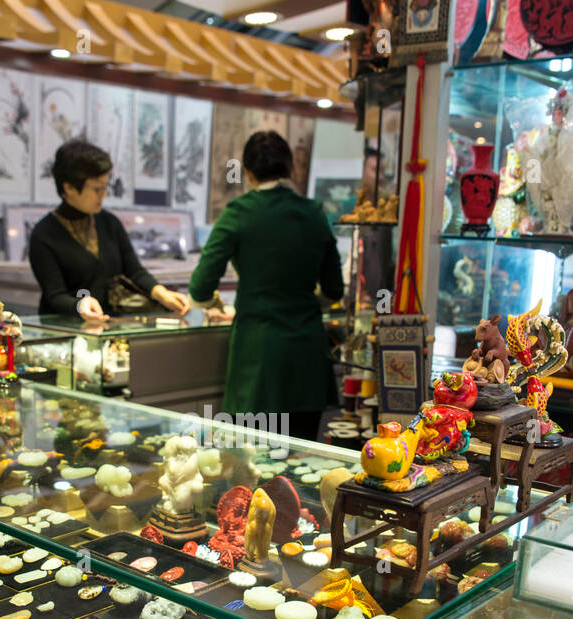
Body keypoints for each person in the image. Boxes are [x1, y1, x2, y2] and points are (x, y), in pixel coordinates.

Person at [189, 131, 344, 443]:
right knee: (301, 465)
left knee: (252, 465)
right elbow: (334, 290)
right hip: (306, 359)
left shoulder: (238, 213)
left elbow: (200, 288)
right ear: (290, 169)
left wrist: (212, 304)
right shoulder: (314, 213)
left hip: (256, 364)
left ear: (247, 172)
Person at [28, 139, 188, 319]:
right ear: (69, 188)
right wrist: (80, 305)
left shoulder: (109, 223)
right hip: (64, 331)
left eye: (105, 187)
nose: (104, 195)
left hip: (109, 327)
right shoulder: (44, 234)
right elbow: (55, 295)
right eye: (97, 189)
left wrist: (160, 292)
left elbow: (134, 271)